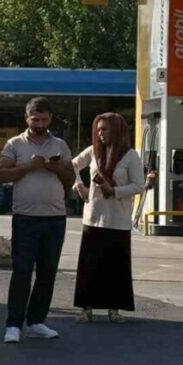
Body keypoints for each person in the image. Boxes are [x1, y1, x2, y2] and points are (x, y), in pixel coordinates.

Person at [0, 97, 75, 344]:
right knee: (21, 272)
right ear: (26, 118)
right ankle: (14, 324)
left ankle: (37, 321)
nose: (40, 123)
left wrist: (57, 168)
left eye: (44, 119)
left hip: (55, 218)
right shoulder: (15, 144)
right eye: (35, 118)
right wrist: (30, 166)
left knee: (47, 272)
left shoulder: (59, 144)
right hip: (25, 218)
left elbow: (70, 178)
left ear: (50, 118)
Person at [71, 112, 145, 322]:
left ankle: (114, 310)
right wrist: (79, 185)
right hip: (93, 217)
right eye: (98, 129)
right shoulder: (94, 152)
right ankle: (86, 309)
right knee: (90, 265)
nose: (100, 133)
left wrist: (114, 190)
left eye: (105, 129)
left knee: (116, 266)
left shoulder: (130, 156)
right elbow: (71, 166)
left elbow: (138, 186)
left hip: (118, 219)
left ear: (117, 130)